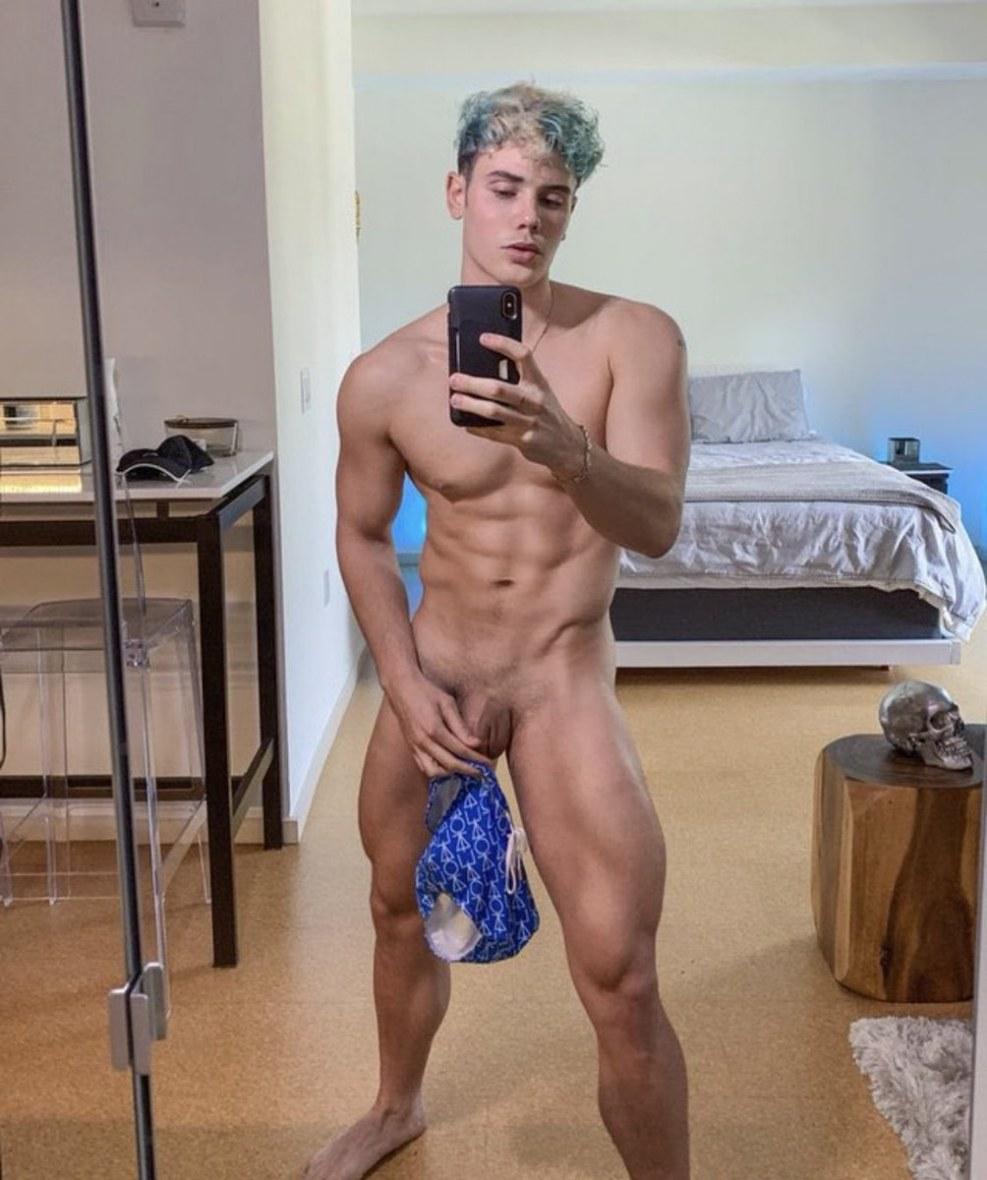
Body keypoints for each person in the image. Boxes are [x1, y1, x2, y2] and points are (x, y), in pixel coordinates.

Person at [305, 81, 692, 1180]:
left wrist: (570, 450)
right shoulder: (385, 377)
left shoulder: (633, 340)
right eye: (506, 188)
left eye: (552, 197)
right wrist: (398, 678)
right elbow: (362, 536)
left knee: (620, 973)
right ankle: (395, 1106)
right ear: (457, 191)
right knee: (397, 909)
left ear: (572, 210)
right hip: (436, 677)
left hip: (561, 681)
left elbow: (658, 525)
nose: (528, 216)